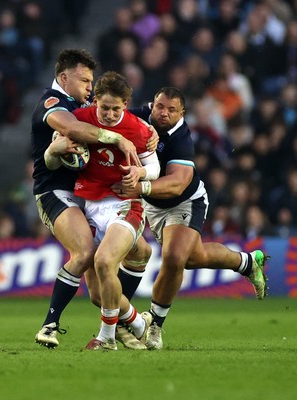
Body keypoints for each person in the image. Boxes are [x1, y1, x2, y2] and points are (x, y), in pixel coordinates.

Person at [112, 87, 269, 350]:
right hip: (152, 204)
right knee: (195, 257)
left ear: (182, 113)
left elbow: (177, 183)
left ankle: (155, 326)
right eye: (160, 106)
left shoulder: (182, 138)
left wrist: (139, 187)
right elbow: (109, 116)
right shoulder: (138, 117)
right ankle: (247, 262)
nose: (164, 113)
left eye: (171, 110)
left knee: (174, 258)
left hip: (185, 200)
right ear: (153, 103)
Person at [32, 48, 154, 349]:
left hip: (90, 197)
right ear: (64, 77)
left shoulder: (84, 104)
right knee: (87, 254)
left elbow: (113, 111)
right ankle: (50, 324)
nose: (89, 87)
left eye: (91, 82)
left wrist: (146, 127)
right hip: (57, 192)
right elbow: (72, 129)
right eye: (85, 80)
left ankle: (132, 322)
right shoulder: (54, 102)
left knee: (133, 256)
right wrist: (117, 138)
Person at [69, 71, 161, 350]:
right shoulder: (80, 120)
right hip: (88, 206)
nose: (109, 114)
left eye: (115, 109)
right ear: (94, 100)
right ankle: (138, 323)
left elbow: (155, 168)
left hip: (126, 205)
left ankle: (106, 338)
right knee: (98, 295)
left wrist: (140, 172)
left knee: (105, 261)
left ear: (126, 104)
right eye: (104, 107)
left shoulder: (139, 129)